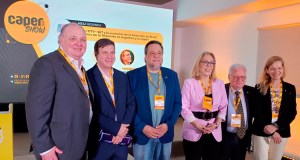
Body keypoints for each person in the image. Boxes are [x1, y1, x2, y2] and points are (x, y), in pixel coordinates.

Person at [26, 23, 93, 160]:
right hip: (58, 148)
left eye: (83, 39)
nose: (79, 43)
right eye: (73, 38)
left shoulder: (80, 68)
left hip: (79, 144)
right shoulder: (47, 64)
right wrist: (44, 148)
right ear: (60, 40)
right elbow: (36, 110)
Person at [127, 40, 182, 160]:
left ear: (162, 56)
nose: (156, 56)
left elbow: (178, 104)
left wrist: (168, 125)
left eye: (159, 53)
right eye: (152, 53)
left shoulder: (172, 75)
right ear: (145, 56)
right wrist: (142, 127)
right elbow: (128, 107)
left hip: (165, 133)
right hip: (143, 134)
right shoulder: (132, 76)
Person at [87, 38, 136, 160]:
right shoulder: (88, 77)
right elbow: (91, 111)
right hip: (100, 141)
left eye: (112, 52)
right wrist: (116, 129)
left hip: (121, 141)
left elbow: (131, 103)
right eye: (105, 52)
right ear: (96, 55)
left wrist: (123, 129)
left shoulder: (122, 76)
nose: (110, 56)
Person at [181, 51, 228, 160]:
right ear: (198, 64)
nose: (209, 66)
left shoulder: (219, 83)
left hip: (214, 130)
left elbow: (224, 106)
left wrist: (216, 124)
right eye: (205, 62)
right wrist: (197, 125)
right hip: (194, 129)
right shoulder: (189, 83)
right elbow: (183, 107)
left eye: (212, 63)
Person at [252, 56, 297, 160]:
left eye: (279, 68)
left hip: (281, 131)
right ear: (267, 70)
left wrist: (276, 127)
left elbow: (292, 112)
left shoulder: (290, 88)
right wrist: (269, 128)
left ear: (283, 69)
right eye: (272, 68)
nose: (276, 71)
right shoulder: (259, 87)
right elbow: (256, 111)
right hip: (261, 130)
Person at [220, 64, 257, 160]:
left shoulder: (252, 91)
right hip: (225, 135)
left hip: (243, 135)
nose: (239, 79)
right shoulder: (221, 89)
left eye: (242, 77)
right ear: (229, 77)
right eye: (236, 76)